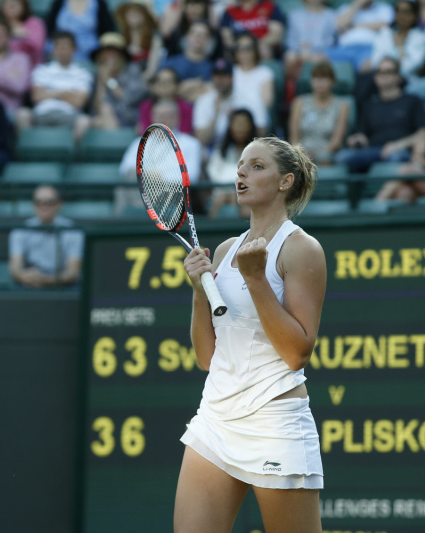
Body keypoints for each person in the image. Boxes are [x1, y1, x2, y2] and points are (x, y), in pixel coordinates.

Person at [176, 135, 324, 533]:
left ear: (285, 182)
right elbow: (207, 359)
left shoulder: (301, 249)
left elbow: (297, 354)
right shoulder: (224, 251)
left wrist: (256, 278)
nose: (241, 172)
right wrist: (198, 293)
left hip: (274, 421)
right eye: (241, 164)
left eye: (257, 166)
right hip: (216, 418)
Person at [335, 57, 425, 174]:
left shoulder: (413, 101)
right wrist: (358, 139)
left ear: (398, 77)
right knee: (343, 157)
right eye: (379, 72)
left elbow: (424, 133)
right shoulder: (369, 104)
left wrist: (398, 145)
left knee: (396, 157)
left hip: (400, 150)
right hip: (373, 150)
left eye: (388, 72)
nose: (383, 75)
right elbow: (362, 134)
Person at [117, 99, 202, 213]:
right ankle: (121, 223)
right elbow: (125, 168)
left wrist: (157, 177)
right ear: (152, 118)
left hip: (170, 191)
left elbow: (192, 176)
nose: (162, 119)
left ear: (177, 118)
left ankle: (138, 214)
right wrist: (148, 175)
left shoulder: (190, 144)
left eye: (167, 115)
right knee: (124, 185)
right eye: (158, 115)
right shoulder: (140, 141)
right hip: (141, 187)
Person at [15, 31, 93, 135]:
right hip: (41, 114)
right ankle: (24, 150)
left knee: (84, 121)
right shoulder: (41, 70)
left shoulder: (83, 73)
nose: (62, 51)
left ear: (74, 49)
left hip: (69, 116)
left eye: (66, 47)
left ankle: (74, 151)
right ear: (53, 49)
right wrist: (67, 93)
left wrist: (49, 92)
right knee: (22, 114)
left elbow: (79, 102)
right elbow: (37, 97)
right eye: (59, 47)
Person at [8, 184, 85, 288]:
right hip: (30, 282)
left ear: (59, 204)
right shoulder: (20, 231)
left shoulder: (72, 230)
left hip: (63, 285)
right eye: (39, 202)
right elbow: (14, 268)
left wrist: (46, 280)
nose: (44, 207)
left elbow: (73, 273)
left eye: (49, 202)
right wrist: (23, 276)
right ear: (33, 206)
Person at [193, 58, 268, 149]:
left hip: (243, 148)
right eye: (216, 75)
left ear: (232, 77)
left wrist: (238, 122)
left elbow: (261, 133)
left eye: (223, 76)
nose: (219, 80)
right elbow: (202, 139)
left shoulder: (249, 99)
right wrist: (216, 113)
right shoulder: (204, 101)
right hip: (213, 149)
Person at [288, 62, 350, 166]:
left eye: (324, 79)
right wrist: (303, 154)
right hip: (302, 152)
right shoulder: (299, 102)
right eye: (316, 78)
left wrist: (317, 154)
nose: (319, 83)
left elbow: (336, 141)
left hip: (327, 153)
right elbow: (294, 137)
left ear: (333, 82)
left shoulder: (342, 105)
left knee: (325, 159)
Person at [87, 32, 147, 130]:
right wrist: (102, 81)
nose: (109, 56)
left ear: (121, 55)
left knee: (104, 111)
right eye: (106, 52)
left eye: (113, 52)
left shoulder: (132, 70)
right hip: (103, 119)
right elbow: (97, 106)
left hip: (129, 118)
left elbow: (129, 98)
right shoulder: (96, 74)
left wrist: (109, 80)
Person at [206, 108, 257, 217]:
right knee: (224, 197)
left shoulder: (258, 152)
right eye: (236, 123)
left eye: (244, 123)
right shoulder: (220, 152)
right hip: (221, 195)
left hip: (249, 195)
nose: (240, 127)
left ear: (251, 126)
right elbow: (214, 175)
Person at [326, 0, 395, 71]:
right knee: (320, 57)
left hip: (369, 48)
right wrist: (356, 5)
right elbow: (340, 24)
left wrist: (353, 26)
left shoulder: (384, 8)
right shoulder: (345, 8)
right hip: (344, 48)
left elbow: (384, 25)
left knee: (367, 65)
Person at [367, 0, 425, 78]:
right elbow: (375, 61)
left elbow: (412, 66)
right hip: (382, 78)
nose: (401, 16)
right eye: (398, 11)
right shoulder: (385, 33)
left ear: (414, 15)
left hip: (408, 81)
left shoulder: (420, 37)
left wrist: (400, 48)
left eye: (406, 12)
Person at [160, 19, 215, 102]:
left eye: (204, 34)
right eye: (195, 33)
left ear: (209, 40)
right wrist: (192, 85)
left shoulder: (215, 68)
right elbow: (160, 90)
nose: (199, 37)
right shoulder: (169, 63)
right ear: (187, 36)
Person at [283, 0, 337, 83]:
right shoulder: (294, 15)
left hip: (321, 52)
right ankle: (296, 90)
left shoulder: (332, 15)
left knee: (320, 58)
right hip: (299, 51)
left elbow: (331, 40)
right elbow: (290, 40)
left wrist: (312, 50)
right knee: (289, 57)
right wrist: (301, 51)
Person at [45, 0, 116, 62]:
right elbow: (50, 29)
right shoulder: (59, 3)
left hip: (90, 56)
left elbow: (107, 31)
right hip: (62, 53)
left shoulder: (99, 3)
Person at [219, 0, 286, 61]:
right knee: (233, 52)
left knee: (263, 49)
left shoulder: (269, 6)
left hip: (262, 47)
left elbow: (275, 35)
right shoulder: (230, 11)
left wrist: (255, 46)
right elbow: (227, 37)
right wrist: (242, 47)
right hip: (239, 47)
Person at [115, 0, 164, 81]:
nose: (133, 15)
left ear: (145, 16)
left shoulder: (154, 39)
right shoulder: (121, 39)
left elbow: (151, 70)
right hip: (124, 80)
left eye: (138, 12)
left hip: (144, 81)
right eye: (130, 12)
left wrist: (137, 82)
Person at [137, 67, 194, 135]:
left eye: (169, 82)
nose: (164, 86)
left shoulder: (185, 107)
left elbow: (185, 133)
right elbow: (147, 133)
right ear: (153, 86)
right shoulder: (146, 106)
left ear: (177, 85)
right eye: (160, 82)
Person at [230, 33, 275, 118]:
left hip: (256, 118)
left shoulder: (265, 72)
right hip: (232, 117)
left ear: (255, 50)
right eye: (240, 48)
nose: (244, 52)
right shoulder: (230, 71)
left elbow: (266, 104)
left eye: (248, 47)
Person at [0, 0, 47, 68]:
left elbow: (36, 48)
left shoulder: (35, 23)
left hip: (31, 68)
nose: (11, 5)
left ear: (24, 5)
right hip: (1, 69)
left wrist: (23, 37)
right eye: (7, 2)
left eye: (15, 2)